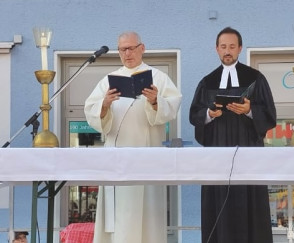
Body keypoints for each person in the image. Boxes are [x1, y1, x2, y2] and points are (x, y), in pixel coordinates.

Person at [84, 31, 182, 243]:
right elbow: (91, 111)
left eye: (131, 48)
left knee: (146, 220)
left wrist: (156, 101)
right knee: (118, 218)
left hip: (147, 159)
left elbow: (172, 108)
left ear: (142, 48)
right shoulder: (108, 82)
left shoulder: (158, 78)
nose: (127, 53)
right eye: (122, 49)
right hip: (115, 160)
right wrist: (105, 104)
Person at [189, 27, 276, 243]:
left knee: (250, 203)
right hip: (217, 155)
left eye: (232, 47)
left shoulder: (255, 78)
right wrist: (210, 113)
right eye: (223, 47)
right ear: (216, 49)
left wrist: (249, 111)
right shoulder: (207, 82)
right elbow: (194, 114)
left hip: (249, 153)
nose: (227, 51)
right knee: (218, 206)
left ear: (240, 49)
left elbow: (270, 114)